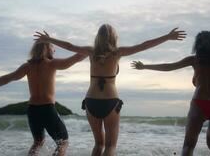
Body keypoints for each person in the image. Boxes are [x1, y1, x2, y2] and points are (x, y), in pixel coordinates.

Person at [34, 24, 186, 156]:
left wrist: (49, 39)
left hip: (91, 101)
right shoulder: (117, 53)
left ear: (98, 37)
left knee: (98, 144)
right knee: (110, 146)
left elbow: (70, 46)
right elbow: (144, 45)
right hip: (110, 102)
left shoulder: (90, 51)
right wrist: (167, 37)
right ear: (114, 37)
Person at [131, 31, 210, 156]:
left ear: (198, 45)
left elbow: (168, 66)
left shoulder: (194, 60)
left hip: (199, 102)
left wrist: (145, 66)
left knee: (188, 146)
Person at [0, 39, 87, 156]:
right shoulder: (52, 64)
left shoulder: (27, 66)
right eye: (52, 46)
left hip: (32, 110)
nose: (54, 50)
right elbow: (78, 57)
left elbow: (7, 78)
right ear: (46, 48)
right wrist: (93, 50)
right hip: (47, 109)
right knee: (63, 143)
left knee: (38, 142)